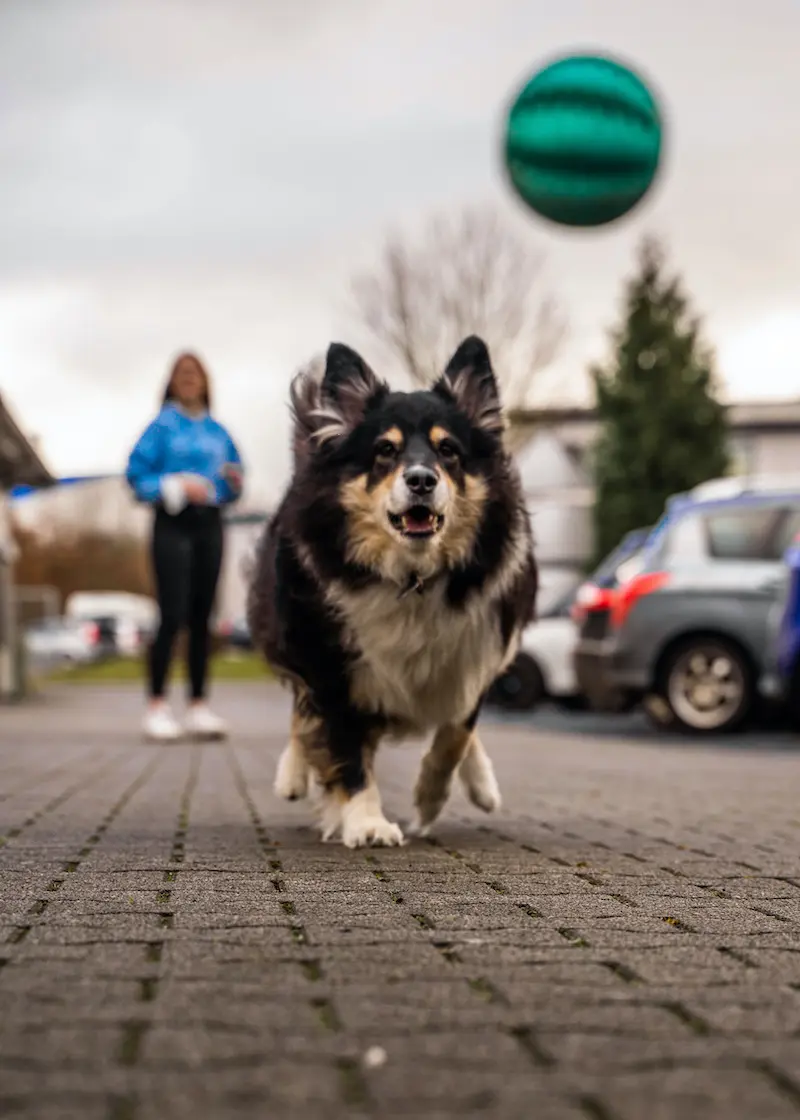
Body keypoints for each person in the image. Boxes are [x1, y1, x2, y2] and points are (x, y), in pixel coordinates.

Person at [125, 352, 244, 742]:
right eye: (182, 373)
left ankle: (198, 706)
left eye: (196, 373)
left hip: (209, 524)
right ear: (172, 381)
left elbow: (234, 477)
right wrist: (173, 484)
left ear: (206, 381)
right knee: (171, 612)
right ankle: (157, 705)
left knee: (201, 617)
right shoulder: (161, 427)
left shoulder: (219, 432)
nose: (190, 378)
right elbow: (136, 475)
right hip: (172, 523)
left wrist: (231, 484)